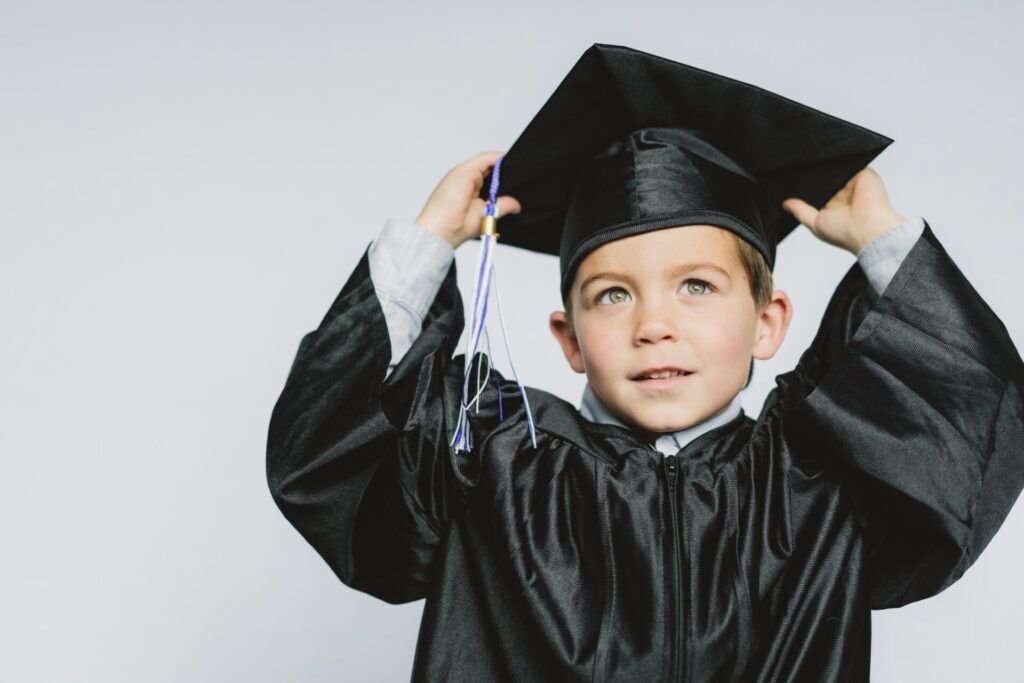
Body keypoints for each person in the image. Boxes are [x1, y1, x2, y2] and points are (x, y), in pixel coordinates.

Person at [266, 44, 1024, 682]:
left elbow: (962, 423)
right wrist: (427, 243)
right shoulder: (490, 458)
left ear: (767, 324)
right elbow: (328, 449)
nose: (654, 326)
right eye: (612, 295)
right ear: (568, 338)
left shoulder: (819, 472)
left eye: (697, 286)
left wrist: (883, 238)